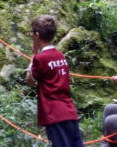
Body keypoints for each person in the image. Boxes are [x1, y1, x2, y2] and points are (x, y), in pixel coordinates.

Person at [26, 15, 85, 147]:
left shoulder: (40, 59)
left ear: (36, 35)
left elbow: (30, 81)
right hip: (69, 110)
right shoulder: (60, 56)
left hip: (54, 114)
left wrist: (34, 54)